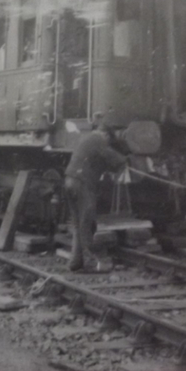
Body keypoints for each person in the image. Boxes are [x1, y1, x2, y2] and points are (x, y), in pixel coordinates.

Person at [64, 113, 128, 272]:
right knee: (87, 224)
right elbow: (111, 156)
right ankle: (95, 262)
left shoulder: (87, 139)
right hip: (82, 184)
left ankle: (75, 262)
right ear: (106, 134)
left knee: (78, 224)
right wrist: (125, 161)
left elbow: (100, 161)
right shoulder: (98, 140)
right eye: (109, 140)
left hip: (70, 181)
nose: (108, 142)